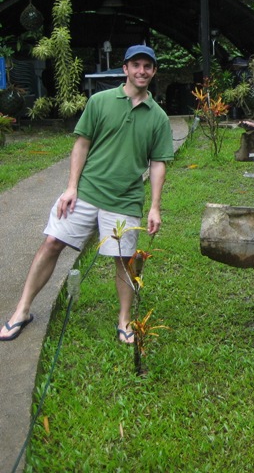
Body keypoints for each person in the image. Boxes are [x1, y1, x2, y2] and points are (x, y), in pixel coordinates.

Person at [0, 45, 174, 344]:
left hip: (125, 199)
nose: (142, 71)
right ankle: (22, 310)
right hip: (88, 191)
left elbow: (157, 164)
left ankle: (124, 321)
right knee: (52, 242)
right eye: (136, 65)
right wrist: (71, 187)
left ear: (154, 71)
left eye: (148, 66)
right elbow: (81, 144)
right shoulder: (100, 101)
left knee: (123, 260)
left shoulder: (158, 117)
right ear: (125, 69)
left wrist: (155, 207)